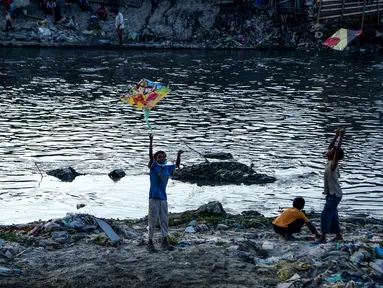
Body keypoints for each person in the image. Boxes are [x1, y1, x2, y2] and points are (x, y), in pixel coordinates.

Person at [147, 133, 183, 252]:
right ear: (156, 159)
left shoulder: (167, 168)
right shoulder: (154, 167)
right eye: (159, 157)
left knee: (164, 220)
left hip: (163, 198)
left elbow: (177, 165)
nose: (161, 158)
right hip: (154, 198)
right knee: (152, 221)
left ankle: (164, 240)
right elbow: (150, 157)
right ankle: (150, 242)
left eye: (163, 157)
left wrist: (178, 155)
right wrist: (151, 141)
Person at [314, 128, 345, 244]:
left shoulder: (333, 165)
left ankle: (323, 237)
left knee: (325, 214)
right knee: (333, 216)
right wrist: (336, 135)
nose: (328, 150)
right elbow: (331, 146)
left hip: (335, 195)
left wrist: (341, 137)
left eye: (331, 151)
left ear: (334, 156)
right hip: (331, 195)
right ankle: (338, 235)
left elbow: (336, 152)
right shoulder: (329, 162)